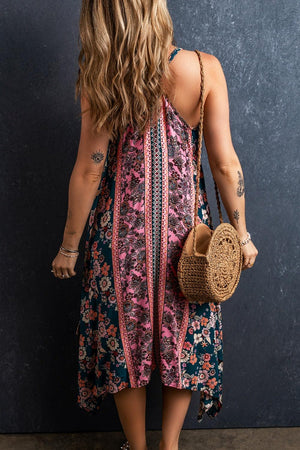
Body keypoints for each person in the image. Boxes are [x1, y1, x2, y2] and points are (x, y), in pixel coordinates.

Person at [51, 1, 258, 449]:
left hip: (121, 236)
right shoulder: (204, 69)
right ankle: (169, 445)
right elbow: (224, 163)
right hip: (191, 241)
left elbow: (90, 168)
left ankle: (137, 446)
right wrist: (241, 234)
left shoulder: (105, 77)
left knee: (126, 339)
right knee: (183, 335)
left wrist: (70, 245)